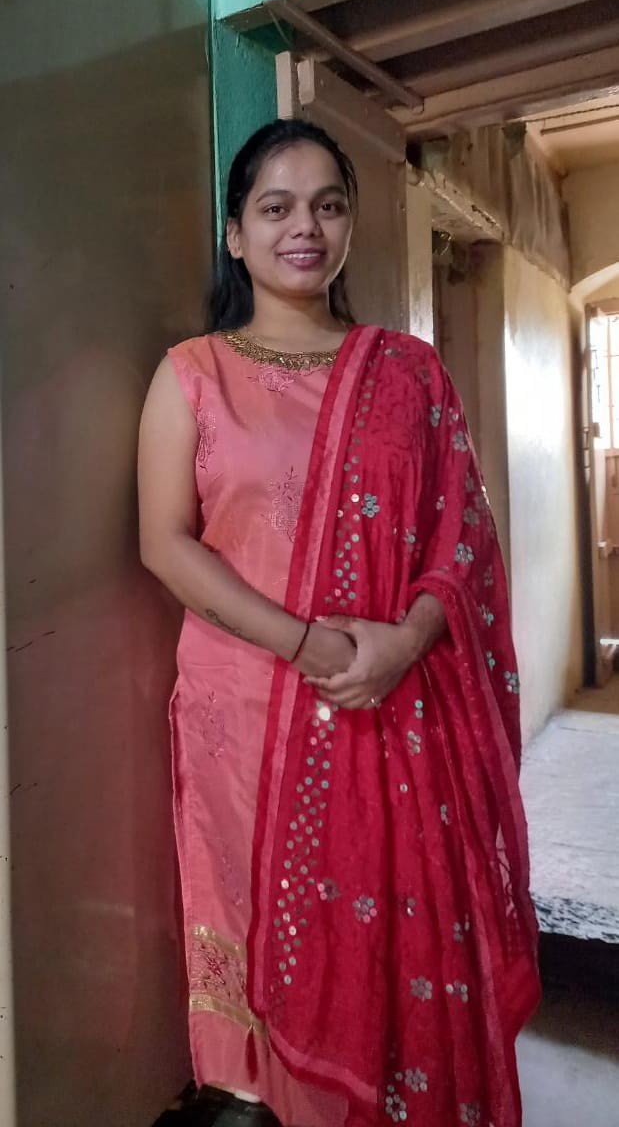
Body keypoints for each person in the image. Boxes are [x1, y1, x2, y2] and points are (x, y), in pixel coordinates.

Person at [138, 119, 540, 1127]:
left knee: (387, 948)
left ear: (350, 225)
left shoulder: (407, 371)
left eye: (327, 205)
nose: (304, 228)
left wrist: (404, 642)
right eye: (275, 207)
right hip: (246, 720)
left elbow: (463, 537)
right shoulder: (193, 372)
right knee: (273, 949)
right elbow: (164, 543)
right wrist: (306, 642)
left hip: (391, 701)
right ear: (236, 234)